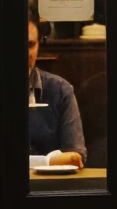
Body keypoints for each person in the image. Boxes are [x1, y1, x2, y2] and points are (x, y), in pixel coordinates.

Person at [28, 13, 87, 167]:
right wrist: (48, 161)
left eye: (30, 45)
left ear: (39, 44)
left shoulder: (59, 90)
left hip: (51, 187)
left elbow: (76, 157)